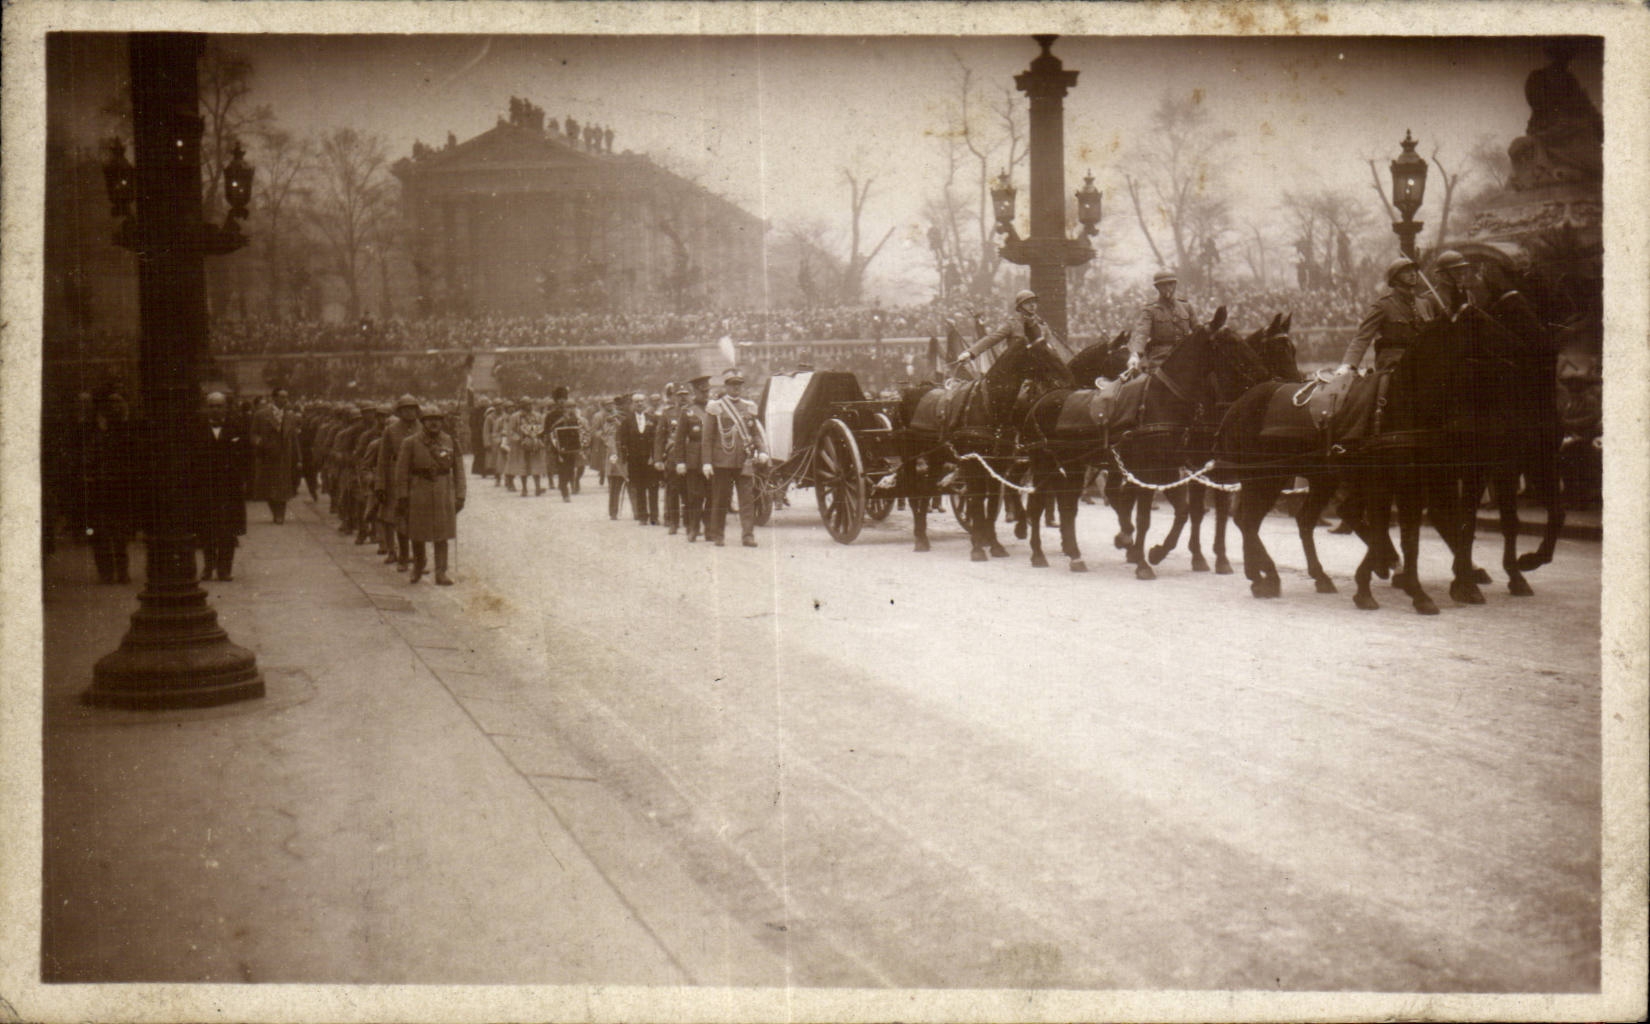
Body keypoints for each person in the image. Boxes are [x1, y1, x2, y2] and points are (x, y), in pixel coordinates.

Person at [395, 408, 466, 585]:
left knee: (442, 534)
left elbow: (459, 470)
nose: (434, 423)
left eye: (438, 419)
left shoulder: (449, 441)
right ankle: (418, 565)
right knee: (418, 532)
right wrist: (402, 496)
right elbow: (401, 472)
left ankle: (441, 572)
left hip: (443, 490)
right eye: (429, 420)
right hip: (420, 490)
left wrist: (460, 495)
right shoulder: (410, 442)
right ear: (423, 422)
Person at [1335, 257, 1442, 374]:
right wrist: (1348, 364)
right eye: (1406, 271)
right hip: (1393, 363)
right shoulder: (1383, 306)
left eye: (1414, 271)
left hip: (1421, 359)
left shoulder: (1424, 304)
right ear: (1395, 279)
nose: (1412, 274)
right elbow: (1362, 337)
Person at [703, 369, 770, 547]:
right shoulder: (715, 407)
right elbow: (708, 437)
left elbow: (754, 433)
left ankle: (748, 535)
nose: (736, 389)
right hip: (721, 460)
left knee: (747, 500)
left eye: (739, 385)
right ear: (726, 387)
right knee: (720, 499)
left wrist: (762, 450)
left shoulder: (748, 407)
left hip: (744, 460)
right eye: (732, 385)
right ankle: (718, 535)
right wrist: (707, 462)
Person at [84, 387, 140, 583]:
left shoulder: (129, 428)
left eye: (119, 402)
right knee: (100, 532)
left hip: (121, 488)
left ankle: (122, 571)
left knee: (120, 534)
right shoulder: (96, 429)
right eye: (111, 402)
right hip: (99, 487)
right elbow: (88, 456)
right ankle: (106, 572)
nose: (115, 406)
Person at [193, 390, 250, 581]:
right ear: (206, 408)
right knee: (206, 529)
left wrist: (244, 482)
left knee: (227, 529)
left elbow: (246, 456)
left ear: (226, 407)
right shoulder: (197, 429)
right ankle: (209, 566)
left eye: (219, 406)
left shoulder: (237, 428)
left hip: (229, 488)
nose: (215, 410)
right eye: (211, 406)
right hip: (205, 487)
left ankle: (225, 569)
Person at [377, 395, 422, 571]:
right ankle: (403, 557)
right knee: (400, 518)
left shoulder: (423, 427)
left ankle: (419, 559)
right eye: (405, 408)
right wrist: (380, 484)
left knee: (419, 519)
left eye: (412, 408)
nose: (409, 411)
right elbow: (382, 459)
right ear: (399, 411)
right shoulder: (391, 430)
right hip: (396, 476)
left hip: (418, 477)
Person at [249, 385, 302, 524]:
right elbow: (253, 434)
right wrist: (262, 445)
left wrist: (299, 458)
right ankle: (275, 511)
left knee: (283, 487)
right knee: (269, 488)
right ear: (274, 398)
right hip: (267, 456)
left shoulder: (290, 416)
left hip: (285, 456)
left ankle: (280, 515)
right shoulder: (261, 414)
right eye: (281, 396)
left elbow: (294, 438)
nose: (285, 399)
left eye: (286, 397)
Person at [1128, 270, 1197, 373]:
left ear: (1175, 284)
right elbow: (1141, 333)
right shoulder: (1150, 310)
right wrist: (1135, 355)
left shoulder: (1186, 307)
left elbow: (1198, 329)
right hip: (1160, 359)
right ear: (1157, 287)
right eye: (1163, 285)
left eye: (1171, 283)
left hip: (1185, 356)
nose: (1168, 287)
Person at [673, 375, 713, 542]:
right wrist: (680, 461)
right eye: (702, 391)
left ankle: (710, 528)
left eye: (707, 391)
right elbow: (680, 438)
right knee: (695, 496)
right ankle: (693, 528)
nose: (705, 394)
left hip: (712, 458)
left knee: (712, 495)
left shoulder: (715, 408)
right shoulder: (687, 411)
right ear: (695, 392)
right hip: (694, 459)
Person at [617, 390, 659, 524]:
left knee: (653, 487)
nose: (639, 404)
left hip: (650, 459)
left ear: (645, 403)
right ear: (632, 404)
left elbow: (657, 439)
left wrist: (656, 456)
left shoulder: (653, 419)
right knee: (639, 487)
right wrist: (625, 458)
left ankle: (654, 516)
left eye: (641, 401)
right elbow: (623, 441)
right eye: (636, 402)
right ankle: (642, 516)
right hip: (635, 460)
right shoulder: (627, 421)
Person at [653, 383, 689, 534]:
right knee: (673, 490)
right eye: (679, 395)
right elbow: (660, 438)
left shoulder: (694, 412)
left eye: (685, 394)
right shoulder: (668, 414)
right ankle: (673, 522)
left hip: (691, 456)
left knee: (690, 491)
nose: (682, 397)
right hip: (673, 456)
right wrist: (658, 459)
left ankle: (690, 523)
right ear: (674, 397)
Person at [544, 386, 585, 502]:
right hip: (558, 446)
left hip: (571, 445)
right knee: (562, 469)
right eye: (559, 399)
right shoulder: (550, 415)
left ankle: (566, 484)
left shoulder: (572, 414)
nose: (562, 401)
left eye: (564, 399)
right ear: (556, 401)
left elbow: (577, 428)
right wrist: (551, 445)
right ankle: (564, 491)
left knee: (571, 468)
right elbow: (547, 431)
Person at [603, 394, 630, 520]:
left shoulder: (631, 417)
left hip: (629, 454)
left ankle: (638, 512)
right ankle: (613, 511)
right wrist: (613, 452)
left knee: (633, 485)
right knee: (615, 484)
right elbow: (607, 436)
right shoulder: (610, 418)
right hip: (616, 454)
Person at [1431, 250, 1477, 320]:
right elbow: (1431, 328)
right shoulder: (1431, 298)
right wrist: (1451, 311)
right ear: (1443, 275)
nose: (1461, 274)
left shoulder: (1468, 295)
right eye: (1456, 270)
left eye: (1462, 269)